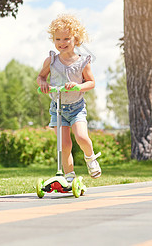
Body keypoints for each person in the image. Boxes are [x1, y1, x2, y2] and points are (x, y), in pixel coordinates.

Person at [37, 14, 101, 182]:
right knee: (64, 145)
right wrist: (43, 84)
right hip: (57, 108)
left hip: (76, 107)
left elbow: (91, 83)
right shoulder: (51, 60)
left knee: (81, 137)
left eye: (66, 38)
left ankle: (90, 158)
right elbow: (41, 77)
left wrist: (78, 86)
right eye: (58, 39)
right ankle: (69, 176)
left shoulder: (82, 62)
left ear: (76, 39)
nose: (62, 42)